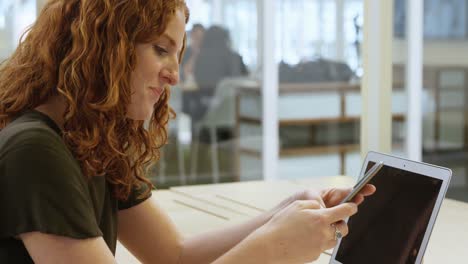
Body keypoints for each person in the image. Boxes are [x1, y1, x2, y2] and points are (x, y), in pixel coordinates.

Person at [0, 1, 376, 263]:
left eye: (177, 55)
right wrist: (274, 248)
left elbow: (175, 256)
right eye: (161, 49)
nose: (174, 75)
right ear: (104, 46)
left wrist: (288, 211)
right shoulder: (34, 150)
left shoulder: (90, 142)